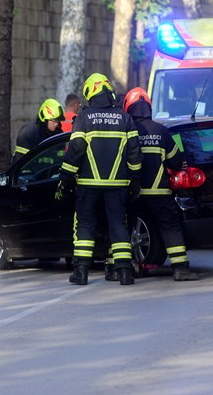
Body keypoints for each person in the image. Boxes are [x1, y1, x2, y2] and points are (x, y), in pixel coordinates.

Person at [56, 73, 142, 286]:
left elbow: (75, 150)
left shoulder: (84, 118)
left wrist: (65, 178)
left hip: (88, 184)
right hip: (118, 185)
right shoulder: (125, 118)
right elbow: (135, 155)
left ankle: (81, 272)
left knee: (85, 226)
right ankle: (124, 272)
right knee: (118, 225)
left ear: (89, 93)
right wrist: (135, 181)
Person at [121, 87, 199, 281]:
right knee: (170, 227)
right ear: (148, 107)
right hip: (159, 193)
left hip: (132, 192)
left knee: (125, 227)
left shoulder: (125, 132)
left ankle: (121, 269)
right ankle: (180, 269)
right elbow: (176, 161)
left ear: (128, 109)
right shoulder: (161, 131)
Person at [12, 98, 65, 164]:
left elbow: (59, 161)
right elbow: (21, 162)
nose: (56, 124)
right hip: (30, 173)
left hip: (50, 173)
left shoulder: (58, 134)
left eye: (58, 121)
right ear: (44, 118)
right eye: (53, 121)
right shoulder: (28, 133)